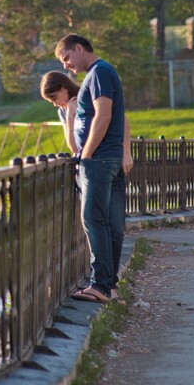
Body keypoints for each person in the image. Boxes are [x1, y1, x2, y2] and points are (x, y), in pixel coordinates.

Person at [47, 33, 133, 303]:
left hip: (98, 160)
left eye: (67, 58)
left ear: (79, 48)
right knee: (112, 224)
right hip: (110, 157)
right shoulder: (102, 72)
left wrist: (88, 152)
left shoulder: (98, 73)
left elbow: (104, 115)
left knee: (94, 220)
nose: (66, 66)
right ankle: (110, 286)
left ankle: (100, 286)